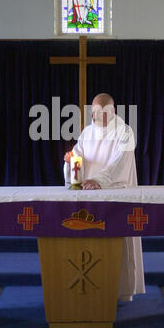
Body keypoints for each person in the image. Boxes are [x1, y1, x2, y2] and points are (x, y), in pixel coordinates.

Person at [63, 93, 145, 301]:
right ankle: (90, 289)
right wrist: (71, 160)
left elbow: (119, 162)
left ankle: (119, 293)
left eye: (102, 113)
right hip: (89, 198)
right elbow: (78, 156)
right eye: (94, 113)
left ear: (113, 111)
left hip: (116, 197)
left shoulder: (125, 132)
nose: (97, 118)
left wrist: (100, 180)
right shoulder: (87, 132)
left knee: (118, 244)